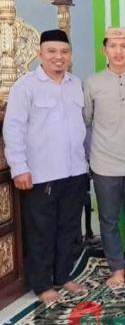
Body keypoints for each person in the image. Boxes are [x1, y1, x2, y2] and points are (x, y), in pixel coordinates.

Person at [3, 29, 88, 303]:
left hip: (75, 170)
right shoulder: (25, 86)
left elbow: (81, 125)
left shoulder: (75, 84)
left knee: (68, 228)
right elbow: (13, 128)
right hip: (42, 173)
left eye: (64, 52)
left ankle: (63, 276)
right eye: (51, 51)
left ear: (70, 55)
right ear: (40, 54)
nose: (58, 57)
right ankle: (42, 285)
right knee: (42, 231)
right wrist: (19, 167)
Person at [84, 27, 125, 288]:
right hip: (104, 163)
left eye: (123, 46)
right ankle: (115, 269)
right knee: (109, 219)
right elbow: (86, 121)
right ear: (105, 50)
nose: (118, 51)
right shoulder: (92, 83)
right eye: (113, 46)